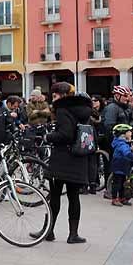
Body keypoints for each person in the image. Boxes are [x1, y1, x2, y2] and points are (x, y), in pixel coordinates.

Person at [42, 82, 91, 243]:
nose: (53, 100)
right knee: (73, 196)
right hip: (78, 158)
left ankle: (48, 231)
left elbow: (65, 135)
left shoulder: (63, 110)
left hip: (62, 159)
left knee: (54, 196)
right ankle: (73, 234)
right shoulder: (83, 110)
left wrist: (48, 137)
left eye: (55, 96)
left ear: (62, 96)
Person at [109, 123, 133, 207]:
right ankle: (114, 199)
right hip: (119, 164)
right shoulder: (121, 144)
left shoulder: (123, 142)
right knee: (117, 183)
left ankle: (122, 198)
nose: (131, 133)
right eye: (129, 131)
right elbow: (127, 154)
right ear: (123, 134)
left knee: (123, 182)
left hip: (124, 165)